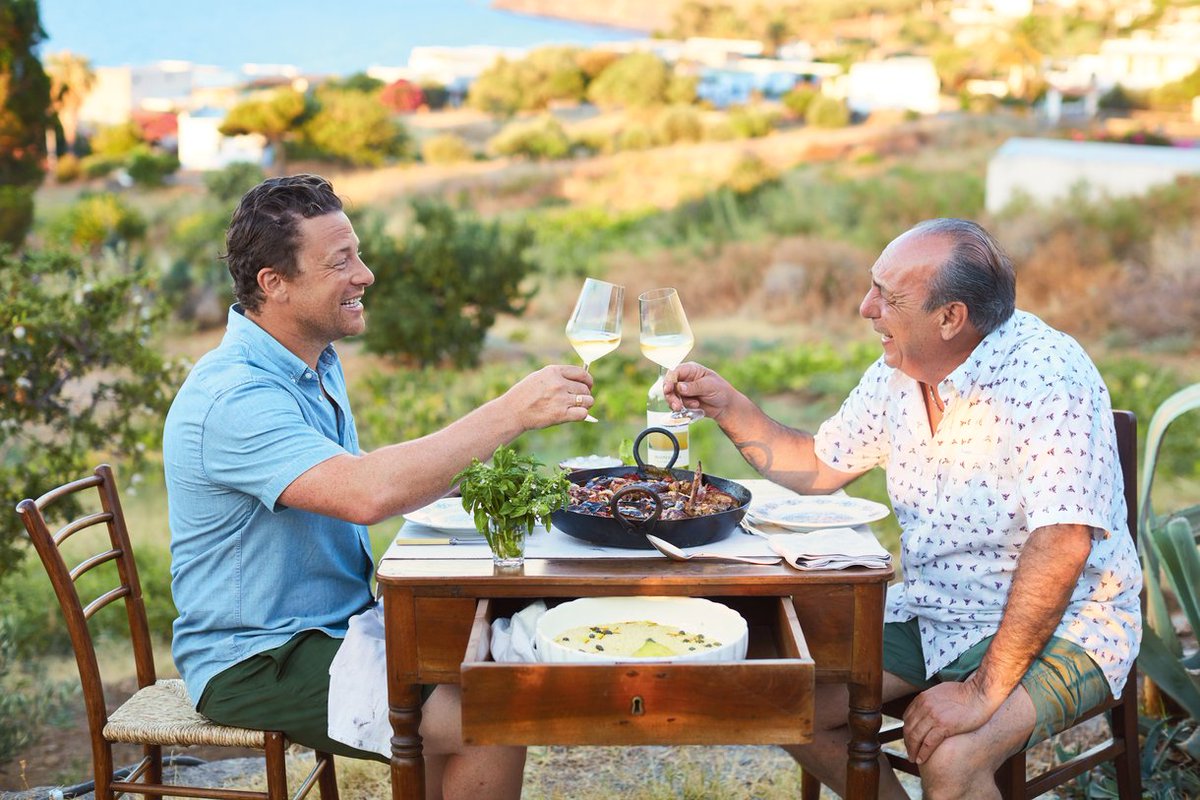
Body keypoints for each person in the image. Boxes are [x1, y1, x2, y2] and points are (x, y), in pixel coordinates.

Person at [664, 218, 1141, 800]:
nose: (866, 308)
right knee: (782, 696)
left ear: (950, 318)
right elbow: (818, 466)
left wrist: (981, 691)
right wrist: (728, 404)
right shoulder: (899, 374)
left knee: (953, 759)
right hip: (935, 610)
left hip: (1069, 619)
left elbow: (1064, 543)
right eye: (873, 286)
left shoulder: (1048, 376)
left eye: (888, 297)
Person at [163, 174, 595, 800]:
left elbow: (351, 485)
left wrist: (446, 483)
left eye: (358, 253)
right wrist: (510, 412)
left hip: (334, 626)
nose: (364, 274)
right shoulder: (234, 398)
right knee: (495, 711)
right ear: (273, 283)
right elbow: (365, 493)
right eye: (341, 261)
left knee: (495, 649)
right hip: (259, 660)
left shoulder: (309, 362)